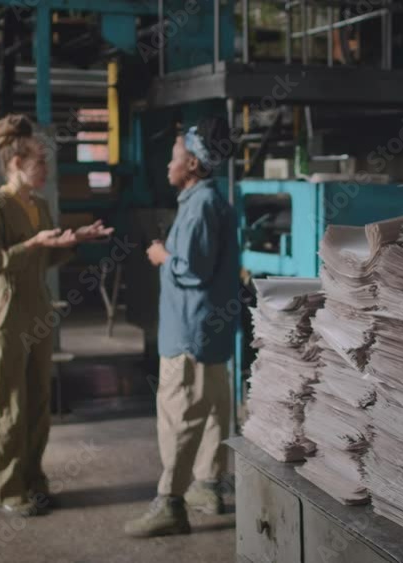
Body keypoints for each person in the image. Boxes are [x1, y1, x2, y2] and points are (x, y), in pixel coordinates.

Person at [0, 114, 113, 517]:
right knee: (6, 402)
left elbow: (43, 256)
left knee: (36, 401)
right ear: (16, 163)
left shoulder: (40, 205)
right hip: (5, 312)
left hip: (36, 308)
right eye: (39, 161)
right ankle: (4, 489)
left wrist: (73, 240)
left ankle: (32, 480)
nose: (46, 168)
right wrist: (33, 243)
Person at [125, 117, 240, 537]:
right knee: (211, 410)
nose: (168, 166)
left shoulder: (199, 205)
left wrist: (160, 255)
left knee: (180, 415)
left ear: (192, 163)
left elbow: (191, 268)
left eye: (174, 158)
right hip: (211, 331)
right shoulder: (213, 201)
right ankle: (208, 486)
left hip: (188, 332)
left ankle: (169, 502)